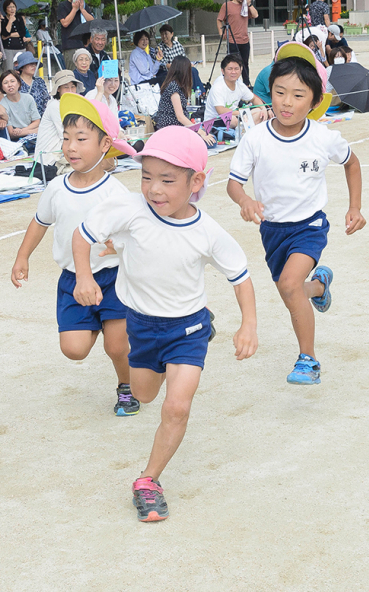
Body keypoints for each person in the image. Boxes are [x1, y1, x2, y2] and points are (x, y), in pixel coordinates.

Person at [72, 124, 258, 521]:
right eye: (146, 177)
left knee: (176, 407)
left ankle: (148, 480)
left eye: (167, 180)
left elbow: (240, 276)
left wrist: (249, 325)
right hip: (140, 323)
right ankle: (188, 338)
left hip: (185, 330)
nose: (154, 189)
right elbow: (82, 235)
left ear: (196, 182)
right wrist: (84, 276)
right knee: (144, 395)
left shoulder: (207, 232)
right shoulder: (130, 210)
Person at [227, 42, 365, 384]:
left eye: (298, 95)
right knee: (292, 292)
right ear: (269, 92)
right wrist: (244, 200)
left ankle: (309, 361)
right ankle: (319, 286)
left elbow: (352, 163)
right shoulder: (255, 139)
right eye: (280, 92)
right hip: (272, 230)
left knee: (289, 285)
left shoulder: (323, 137)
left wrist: (355, 207)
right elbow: (233, 183)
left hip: (310, 226)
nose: (287, 102)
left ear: (315, 102)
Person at [12, 93, 140, 415]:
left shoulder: (115, 192)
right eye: (67, 138)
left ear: (104, 144)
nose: (71, 147)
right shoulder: (56, 187)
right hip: (72, 281)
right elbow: (39, 223)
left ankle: (126, 387)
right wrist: (22, 256)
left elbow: (135, 233)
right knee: (74, 349)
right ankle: (99, 322)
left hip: (113, 279)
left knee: (116, 346)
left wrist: (119, 246)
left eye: (81, 139)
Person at [154, 56, 215, 146]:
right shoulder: (173, 87)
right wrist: (200, 132)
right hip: (172, 129)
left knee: (210, 136)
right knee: (209, 141)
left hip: (178, 127)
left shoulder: (175, 85)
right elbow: (180, 116)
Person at [203, 54, 269, 128]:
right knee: (232, 119)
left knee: (259, 112)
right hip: (215, 122)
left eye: (236, 69)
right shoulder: (217, 87)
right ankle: (246, 129)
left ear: (241, 70)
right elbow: (221, 110)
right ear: (223, 71)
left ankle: (245, 130)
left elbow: (254, 99)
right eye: (230, 69)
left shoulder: (239, 85)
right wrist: (243, 113)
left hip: (237, 117)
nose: (233, 72)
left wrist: (263, 108)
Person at [33, 70, 84, 166]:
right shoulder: (55, 106)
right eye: (66, 87)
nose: (70, 90)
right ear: (58, 89)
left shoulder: (72, 105)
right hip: (48, 159)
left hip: (62, 151)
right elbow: (64, 134)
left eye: (72, 87)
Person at [216, 0, 258, 86]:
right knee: (233, 63)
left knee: (245, 63)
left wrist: (249, 4)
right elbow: (219, 19)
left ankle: (246, 84)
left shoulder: (245, 6)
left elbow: (256, 15)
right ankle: (232, 83)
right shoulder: (227, 5)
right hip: (232, 39)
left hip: (244, 40)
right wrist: (221, 33)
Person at [0, 70, 40, 149]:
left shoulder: (28, 98)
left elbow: (36, 121)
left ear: (19, 83)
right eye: (5, 83)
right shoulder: (3, 104)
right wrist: (34, 131)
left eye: (12, 81)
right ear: (2, 87)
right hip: (16, 139)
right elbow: (11, 133)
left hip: (28, 133)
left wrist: (23, 130)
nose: (10, 85)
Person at [156, 24, 204, 92]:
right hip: (169, 71)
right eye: (162, 34)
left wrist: (188, 64)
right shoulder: (159, 48)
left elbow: (184, 59)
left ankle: (200, 93)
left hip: (181, 68)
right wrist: (180, 67)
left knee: (193, 70)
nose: (164, 36)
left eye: (166, 34)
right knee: (185, 73)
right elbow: (165, 65)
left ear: (172, 34)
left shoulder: (178, 45)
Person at [57, 0, 94, 69]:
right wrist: (74, 9)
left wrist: (82, 10)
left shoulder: (84, 6)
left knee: (85, 70)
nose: (79, 0)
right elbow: (65, 23)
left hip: (83, 43)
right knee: (72, 72)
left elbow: (92, 21)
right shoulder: (63, 6)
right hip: (70, 45)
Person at [16, 51, 50, 117]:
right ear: (22, 67)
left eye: (35, 64)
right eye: (30, 64)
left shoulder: (39, 81)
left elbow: (46, 100)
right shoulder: (16, 82)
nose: (34, 66)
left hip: (41, 118)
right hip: (22, 118)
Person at [0, 0, 28, 73]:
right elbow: (4, 33)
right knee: (9, 70)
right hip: (8, 49)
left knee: (22, 69)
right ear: (5, 9)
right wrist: (10, 21)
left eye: (13, 7)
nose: (12, 9)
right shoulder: (3, 20)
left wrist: (9, 35)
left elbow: (22, 33)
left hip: (20, 47)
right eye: (9, 7)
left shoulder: (19, 18)